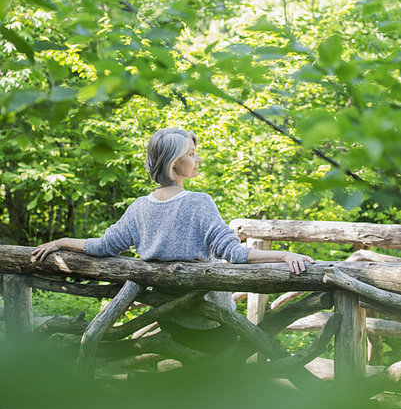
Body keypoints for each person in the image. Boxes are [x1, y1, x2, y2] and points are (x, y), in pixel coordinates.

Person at [32, 127, 314, 353]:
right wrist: (285, 255)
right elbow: (234, 253)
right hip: (214, 323)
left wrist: (63, 241)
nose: (198, 159)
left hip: (169, 320)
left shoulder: (139, 208)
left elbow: (103, 246)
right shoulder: (199, 202)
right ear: (173, 162)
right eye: (192, 154)